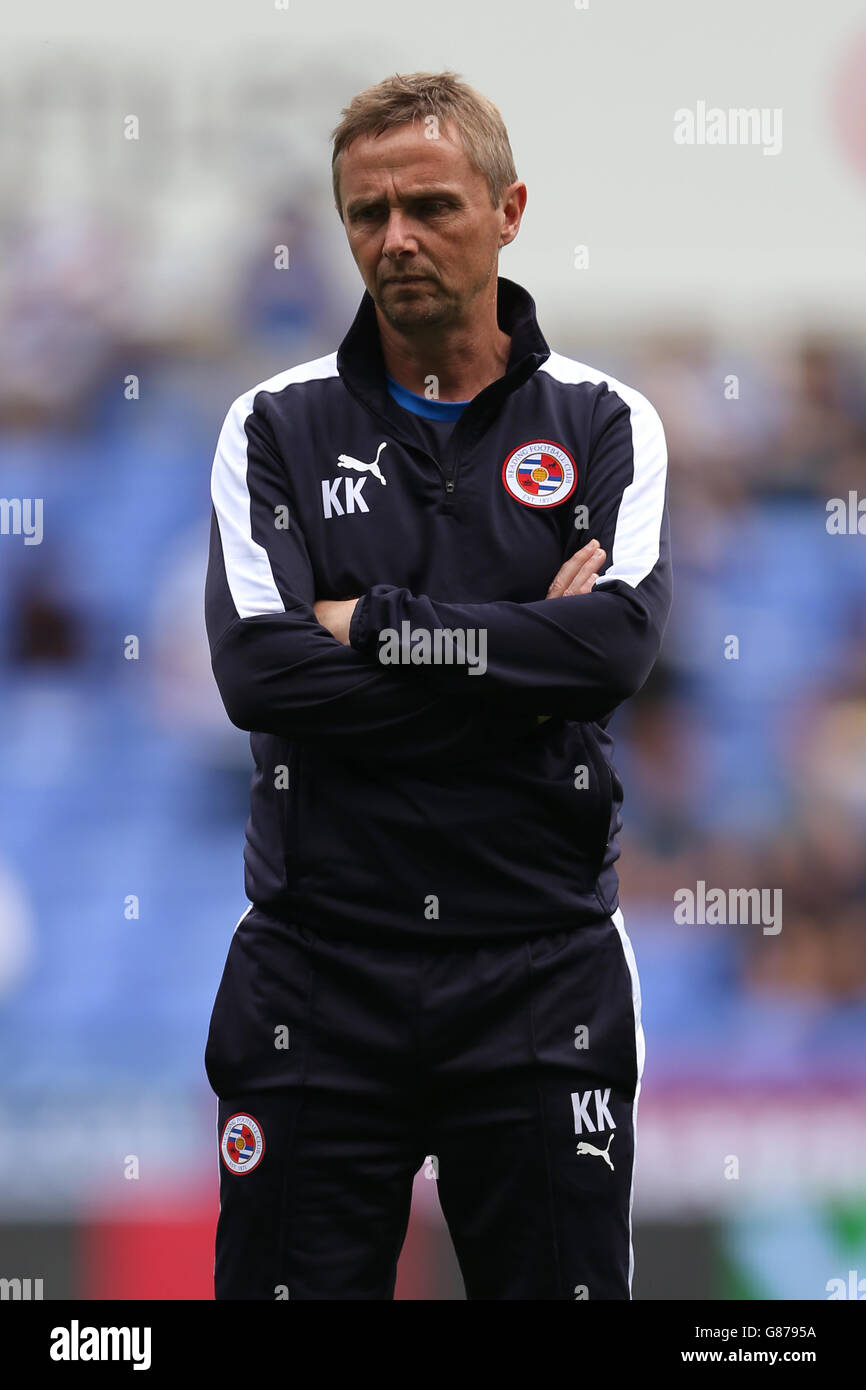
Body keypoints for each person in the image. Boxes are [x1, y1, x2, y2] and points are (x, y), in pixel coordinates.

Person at [204, 70, 672, 1301]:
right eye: (367, 214)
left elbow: (612, 651)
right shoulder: (274, 425)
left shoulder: (604, 421)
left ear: (508, 209)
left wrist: (369, 628)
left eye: (429, 205)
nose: (395, 239)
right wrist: (518, 660)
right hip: (320, 971)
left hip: (537, 971)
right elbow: (259, 672)